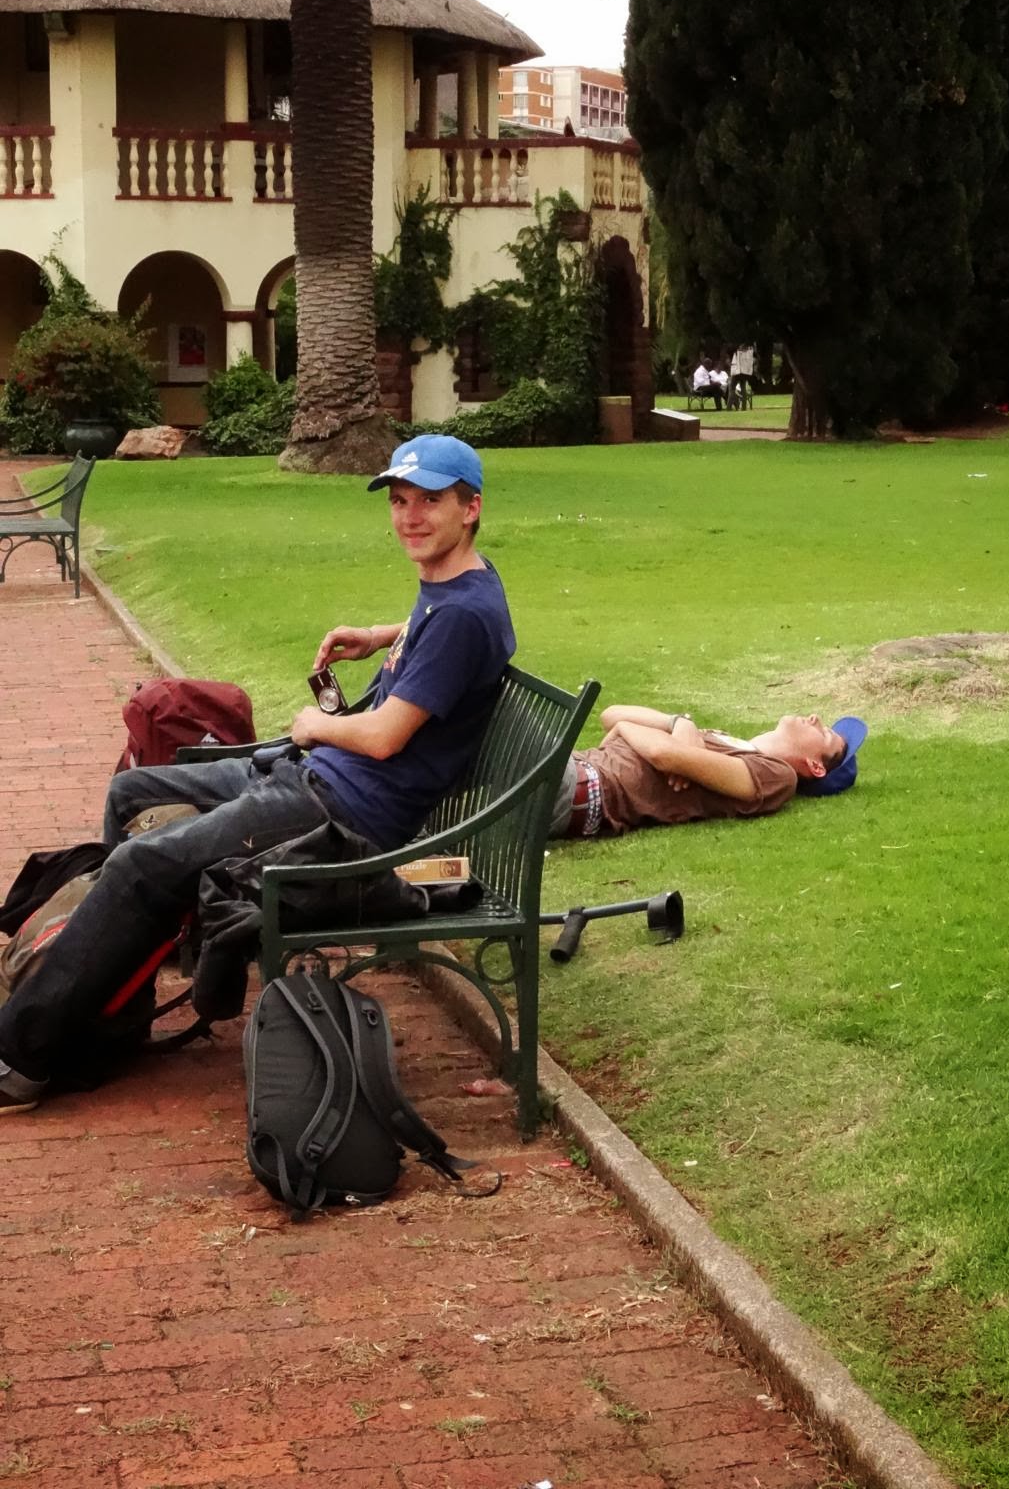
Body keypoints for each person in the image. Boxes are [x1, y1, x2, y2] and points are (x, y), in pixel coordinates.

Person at [0, 435, 516, 1114]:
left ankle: (20, 1057)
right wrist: (379, 635)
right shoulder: (463, 584)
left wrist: (313, 725)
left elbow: (385, 736)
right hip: (311, 782)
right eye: (399, 501)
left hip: (339, 817)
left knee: (141, 864)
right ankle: (113, 997)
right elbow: (437, 623)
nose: (410, 517)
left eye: (430, 501)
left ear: (470, 508)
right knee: (133, 792)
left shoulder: (463, 616)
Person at [549, 704, 867, 839]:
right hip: (570, 765)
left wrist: (626, 729)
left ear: (815, 767)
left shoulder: (776, 777)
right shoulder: (727, 740)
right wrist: (678, 722)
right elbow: (610, 714)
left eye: (824, 733)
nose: (814, 718)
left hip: (580, 788)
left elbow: (664, 755)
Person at [729, 344, 756, 411]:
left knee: (732, 389)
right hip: (744, 373)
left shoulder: (738, 353)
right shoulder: (749, 354)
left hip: (737, 373)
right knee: (743, 390)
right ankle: (744, 407)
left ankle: (729, 407)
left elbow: (734, 363)